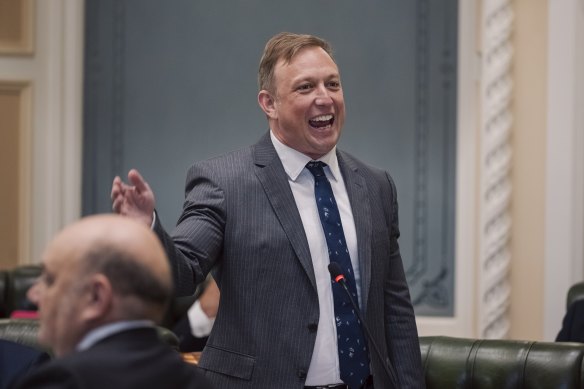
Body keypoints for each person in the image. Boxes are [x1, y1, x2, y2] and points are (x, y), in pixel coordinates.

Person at [111, 32, 424, 388]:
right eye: (306, 87)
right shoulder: (223, 182)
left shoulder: (376, 185)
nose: (325, 98)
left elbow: (395, 307)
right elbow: (182, 274)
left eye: (332, 84)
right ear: (269, 104)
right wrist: (147, 228)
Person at [12, 214, 213, 389]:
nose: (33, 294)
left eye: (49, 280)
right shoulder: (196, 381)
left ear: (97, 297)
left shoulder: (63, 381)